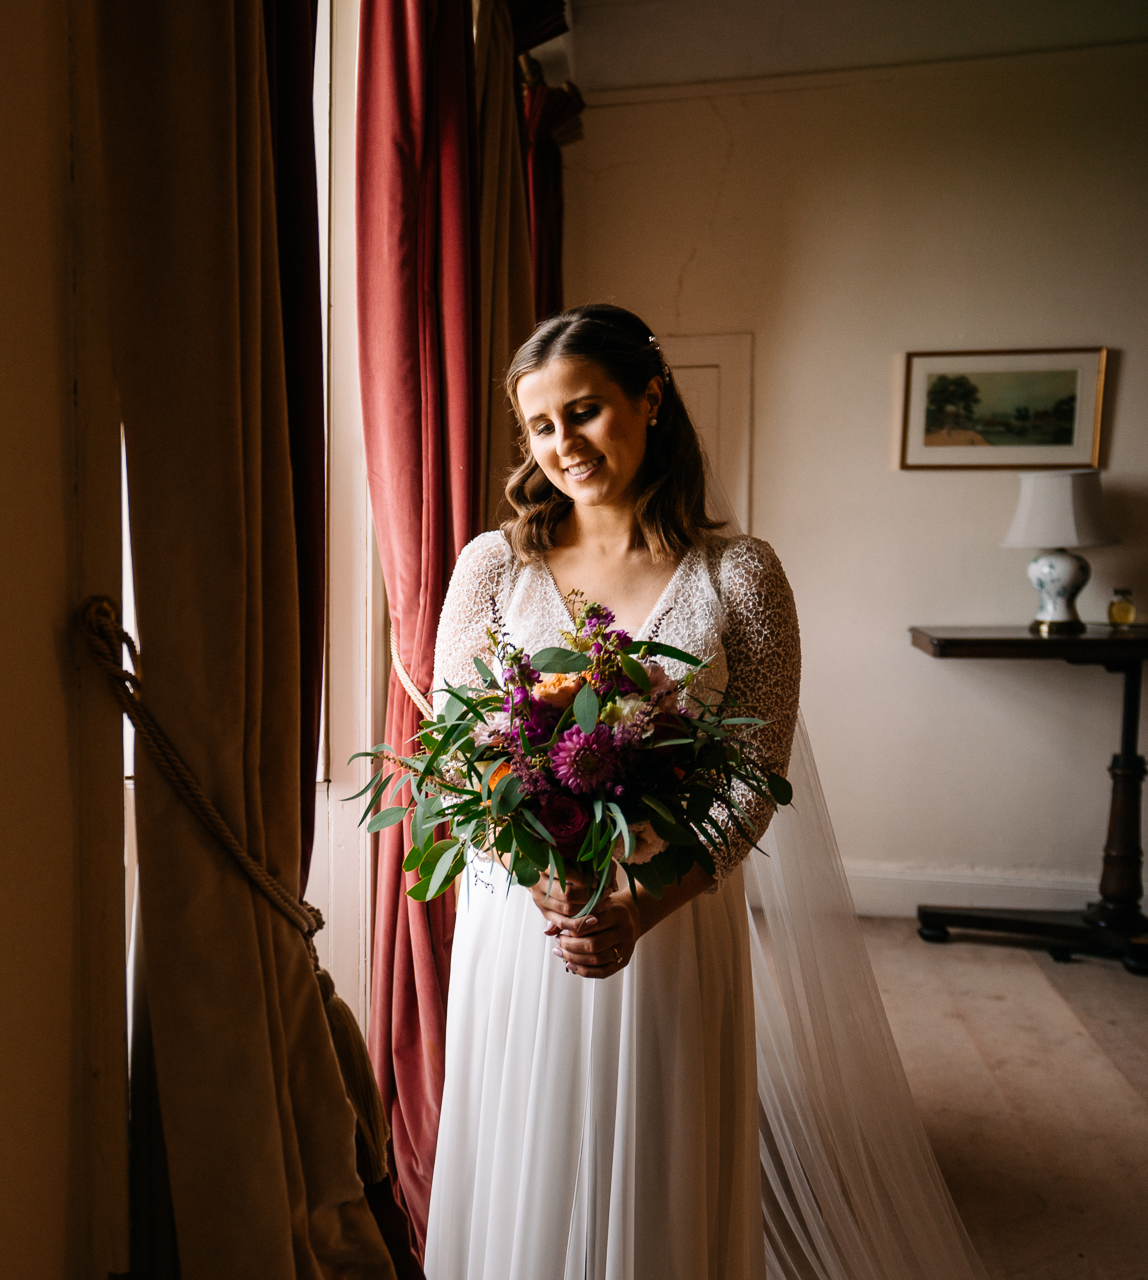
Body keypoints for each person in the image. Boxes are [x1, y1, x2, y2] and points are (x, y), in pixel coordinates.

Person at [419, 305, 985, 1279]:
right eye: (542, 426)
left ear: (651, 397)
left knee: (658, 1152)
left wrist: (642, 906)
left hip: (671, 918)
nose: (565, 444)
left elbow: (754, 778)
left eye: (586, 411)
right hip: (527, 920)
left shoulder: (742, 576)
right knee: (531, 1144)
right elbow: (459, 749)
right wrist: (552, 883)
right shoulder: (491, 567)